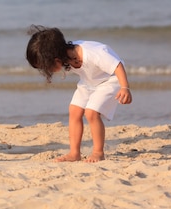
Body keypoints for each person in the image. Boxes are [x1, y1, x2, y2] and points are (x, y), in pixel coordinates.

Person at [26, 25, 132, 163]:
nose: (47, 71)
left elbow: (117, 65)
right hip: (89, 81)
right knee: (74, 111)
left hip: (110, 79)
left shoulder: (93, 53)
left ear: (56, 58)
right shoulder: (65, 57)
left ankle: (98, 152)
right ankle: (74, 153)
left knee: (91, 113)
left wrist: (125, 87)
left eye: (46, 67)